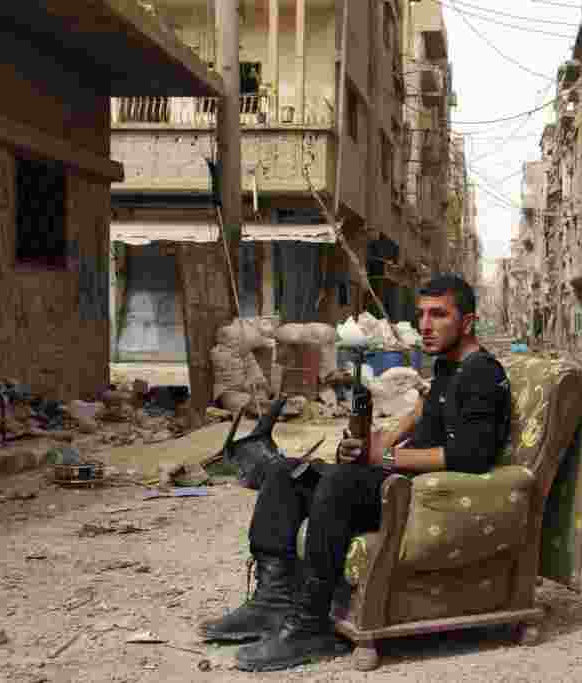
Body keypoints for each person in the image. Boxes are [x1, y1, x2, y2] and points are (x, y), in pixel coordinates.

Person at [199, 274, 513, 672]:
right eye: (421, 314)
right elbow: (419, 415)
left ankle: (310, 625)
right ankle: (272, 602)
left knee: (339, 482)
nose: (425, 325)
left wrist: (384, 458)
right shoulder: (449, 369)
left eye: (438, 315)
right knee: (286, 474)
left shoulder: (482, 373)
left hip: (420, 496)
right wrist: (369, 444)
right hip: (394, 482)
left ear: (467, 322)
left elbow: (471, 456)